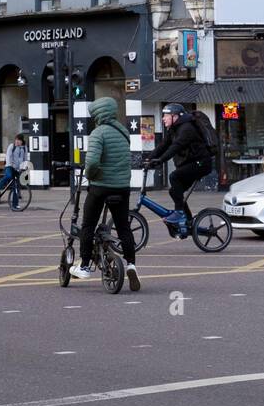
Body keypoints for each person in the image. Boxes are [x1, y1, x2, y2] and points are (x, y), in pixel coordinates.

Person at [72, 97, 140, 291]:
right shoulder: (123, 131)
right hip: (122, 187)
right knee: (123, 227)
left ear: (98, 115)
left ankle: (84, 265)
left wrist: (89, 175)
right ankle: (131, 265)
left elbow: (92, 162)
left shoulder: (97, 133)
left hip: (101, 187)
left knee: (88, 225)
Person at [147, 104, 213, 235]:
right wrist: (149, 159)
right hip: (192, 164)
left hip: (201, 163)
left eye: (166, 116)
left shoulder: (187, 128)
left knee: (174, 176)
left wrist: (161, 160)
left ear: (175, 116)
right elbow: (164, 145)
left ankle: (179, 213)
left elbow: (176, 147)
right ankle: (189, 223)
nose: (163, 119)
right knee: (174, 191)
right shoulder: (174, 129)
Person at [0, 133, 29, 208]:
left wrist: (24, 167)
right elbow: (8, 157)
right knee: (9, 175)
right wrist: (10, 165)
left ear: (22, 141)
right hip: (9, 166)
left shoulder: (24, 148)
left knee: (15, 187)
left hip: (17, 169)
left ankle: (15, 204)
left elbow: (25, 159)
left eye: (18, 140)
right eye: (16, 140)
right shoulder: (11, 146)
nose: (16, 141)